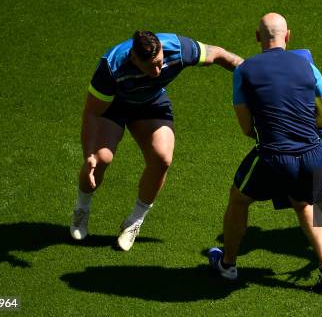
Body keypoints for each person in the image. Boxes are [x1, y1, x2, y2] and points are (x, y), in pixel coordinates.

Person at [70, 30, 243, 251]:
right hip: (113, 105)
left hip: (151, 101)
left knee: (162, 158)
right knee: (101, 159)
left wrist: (251, 71)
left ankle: (134, 221)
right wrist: (89, 154)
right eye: (150, 67)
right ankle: (81, 209)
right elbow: (92, 112)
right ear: (134, 58)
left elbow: (218, 54)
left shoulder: (178, 48)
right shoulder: (112, 68)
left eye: (160, 63)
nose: (158, 70)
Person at [207, 13, 322, 293]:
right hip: (313, 155)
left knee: (238, 199)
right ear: (288, 35)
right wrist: (308, 124)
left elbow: (246, 127)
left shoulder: (245, 70)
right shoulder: (307, 65)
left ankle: (228, 265)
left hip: (274, 156)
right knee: (303, 203)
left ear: (257, 37)